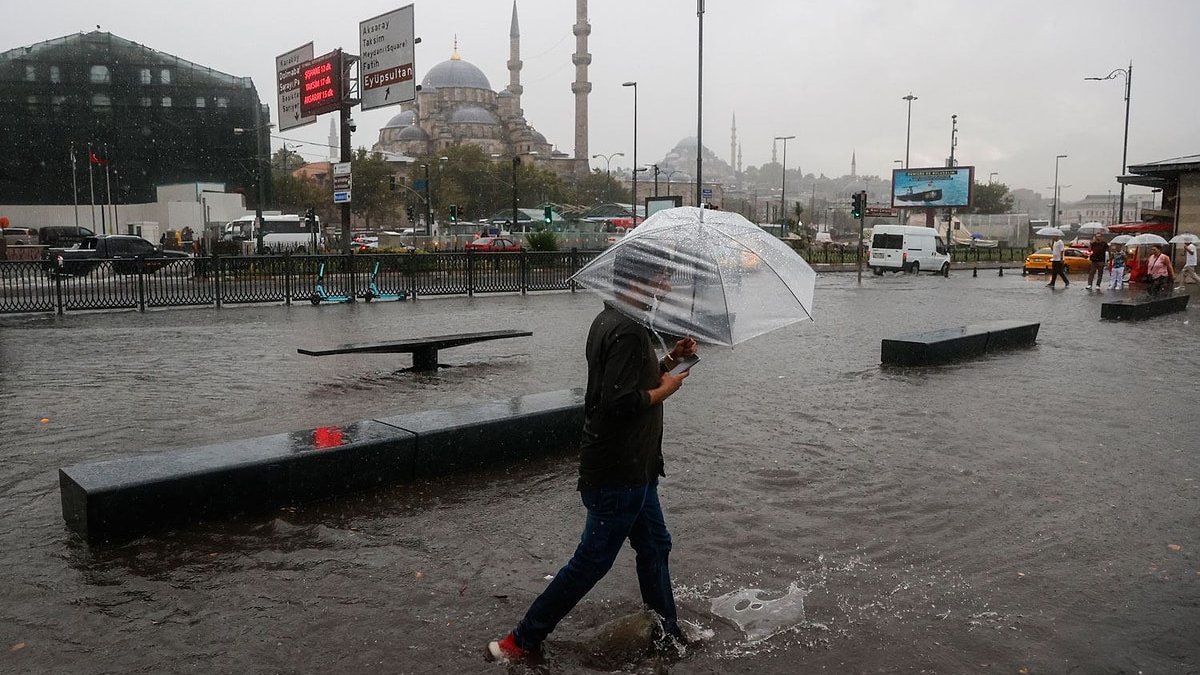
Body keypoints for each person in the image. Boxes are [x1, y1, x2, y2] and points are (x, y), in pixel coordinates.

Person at [487, 244, 697, 664]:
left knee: (655, 546)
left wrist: (668, 360)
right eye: (662, 276)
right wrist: (664, 390)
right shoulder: (628, 329)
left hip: (635, 468)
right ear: (639, 279)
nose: (668, 284)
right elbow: (617, 403)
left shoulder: (612, 319)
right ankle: (521, 640)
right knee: (591, 562)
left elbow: (620, 381)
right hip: (618, 471)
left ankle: (666, 633)